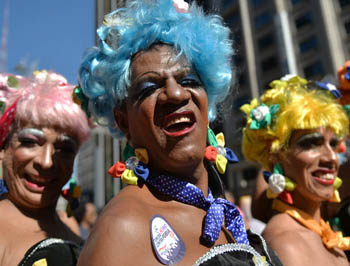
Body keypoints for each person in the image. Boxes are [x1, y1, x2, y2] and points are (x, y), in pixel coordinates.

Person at [75, 0, 282, 265]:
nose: (175, 93)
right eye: (149, 87)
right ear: (123, 121)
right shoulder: (123, 227)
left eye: (189, 81)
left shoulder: (228, 217)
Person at [241, 74, 350, 265]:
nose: (331, 157)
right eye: (310, 144)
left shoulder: (323, 234)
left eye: (333, 144)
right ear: (275, 154)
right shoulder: (286, 242)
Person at [0, 71, 90, 266]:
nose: (47, 162)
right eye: (30, 142)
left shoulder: (74, 230)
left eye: (65, 149)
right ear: (3, 148)